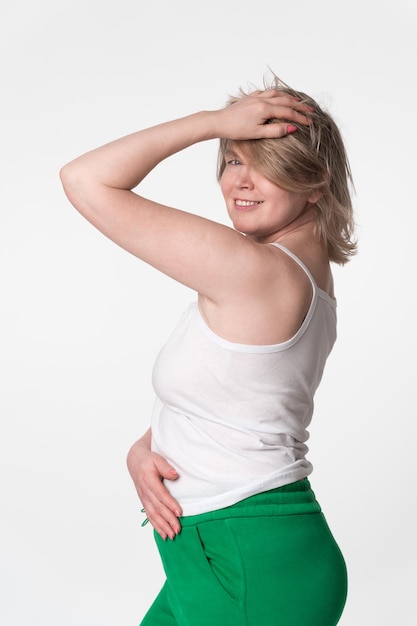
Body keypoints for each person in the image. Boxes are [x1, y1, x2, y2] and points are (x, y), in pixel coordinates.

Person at [60, 74, 356, 626]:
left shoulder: (258, 273)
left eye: (265, 161)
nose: (239, 182)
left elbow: (85, 180)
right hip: (227, 556)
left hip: (247, 564)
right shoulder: (292, 277)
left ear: (315, 183)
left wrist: (211, 123)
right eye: (231, 158)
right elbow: (241, 397)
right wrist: (146, 445)